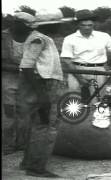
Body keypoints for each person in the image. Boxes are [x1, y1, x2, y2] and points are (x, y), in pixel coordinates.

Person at [16, 9, 73, 177]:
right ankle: (35, 167)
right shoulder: (39, 39)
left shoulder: (43, 38)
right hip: (44, 85)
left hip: (44, 84)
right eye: (58, 24)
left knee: (39, 125)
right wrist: (42, 95)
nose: (60, 28)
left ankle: (29, 162)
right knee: (46, 126)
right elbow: (26, 66)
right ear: (51, 25)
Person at [60, 9, 111, 103]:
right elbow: (67, 60)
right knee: (74, 97)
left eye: (90, 25)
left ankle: (98, 115)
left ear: (93, 24)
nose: (87, 28)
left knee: (98, 98)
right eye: (83, 25)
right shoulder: (69, 39)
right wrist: (80, 78)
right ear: (78, 25)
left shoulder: (103, 36)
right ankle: (76, 116)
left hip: (98, 70)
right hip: (76, 69)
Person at [1, 12, 34, 154]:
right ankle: (8, 145)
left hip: (27, 79)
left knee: (25, 113)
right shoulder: (3, 37)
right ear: (16, 23)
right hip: (8, 78)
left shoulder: (33, 37)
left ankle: (22, 144)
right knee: (9, 113)